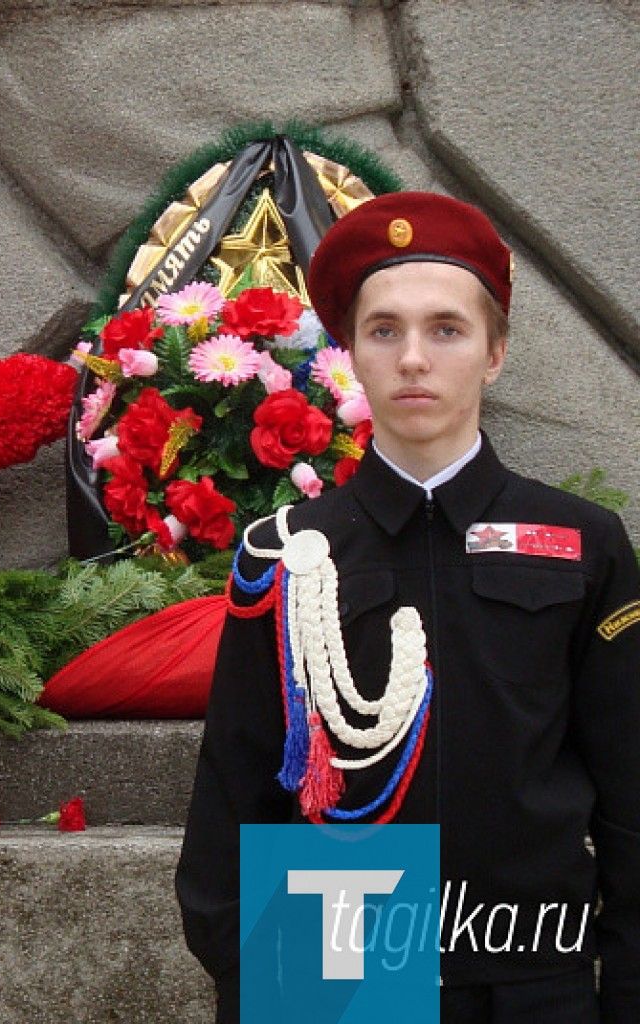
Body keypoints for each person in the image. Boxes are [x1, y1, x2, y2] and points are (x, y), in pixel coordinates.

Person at [174, 191, 640, 1023]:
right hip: (333, 956)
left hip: (531, 968)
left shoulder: (582, 542)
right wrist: (255, 987)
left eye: (446, 329)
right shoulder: (287, 555)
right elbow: (234, 793)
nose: (414, 358)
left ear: (495, 353)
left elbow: (631, 789)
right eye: (384, 330)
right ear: (351, 350)